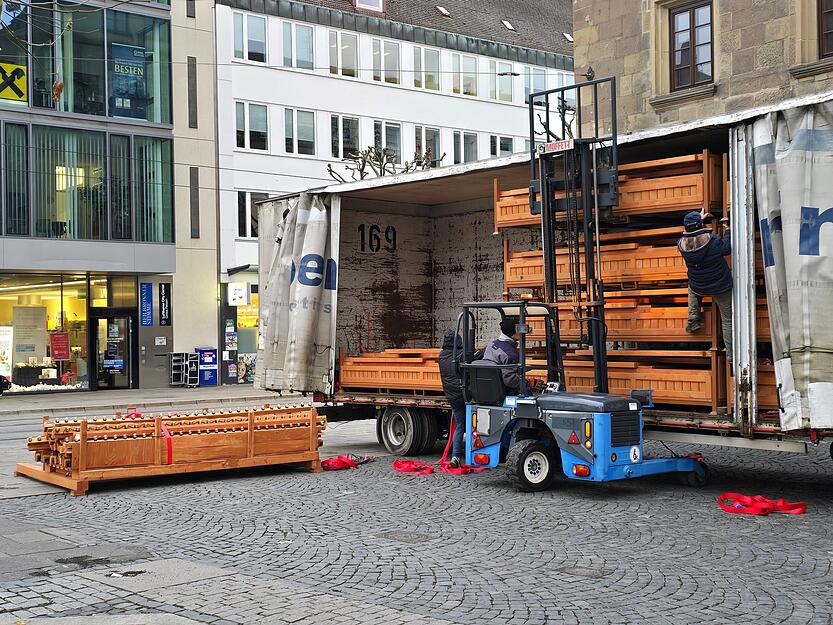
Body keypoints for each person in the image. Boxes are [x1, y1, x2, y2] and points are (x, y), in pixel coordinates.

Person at [677, 210, 733, 365]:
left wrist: (697, 221)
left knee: (692, 287)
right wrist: (727, 229)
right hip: (720, 285)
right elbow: (727, 248)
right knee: (727, 319)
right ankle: (731, 355)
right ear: (700, 225)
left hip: (699, 285)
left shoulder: (681, 245)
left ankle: (693, 319)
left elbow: (692, 235)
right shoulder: (713, 240)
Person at [438, 330, 465, 469]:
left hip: (451, 396)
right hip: (464, 395)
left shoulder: (441, 356)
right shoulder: (460, 355)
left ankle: (456, 456)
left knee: (460, 425)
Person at [482, 317, 521, 394]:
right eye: (519, 330)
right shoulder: (510, 353)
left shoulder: (491, 344)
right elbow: (510, 380)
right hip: (502, 391)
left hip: (487, 387)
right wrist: (528, 383)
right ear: (513, 334)